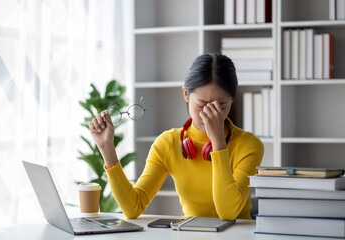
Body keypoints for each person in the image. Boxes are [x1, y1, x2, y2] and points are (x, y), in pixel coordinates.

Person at [89, 53, 264, 220]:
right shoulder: (167, 143)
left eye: (221, 106)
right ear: (186, 94)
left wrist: (218, 142)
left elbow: (228, 213)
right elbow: (133, 207)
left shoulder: (249, 145)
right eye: (202, 104)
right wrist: (106, 148)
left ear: (232, 101)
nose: (210, 114)